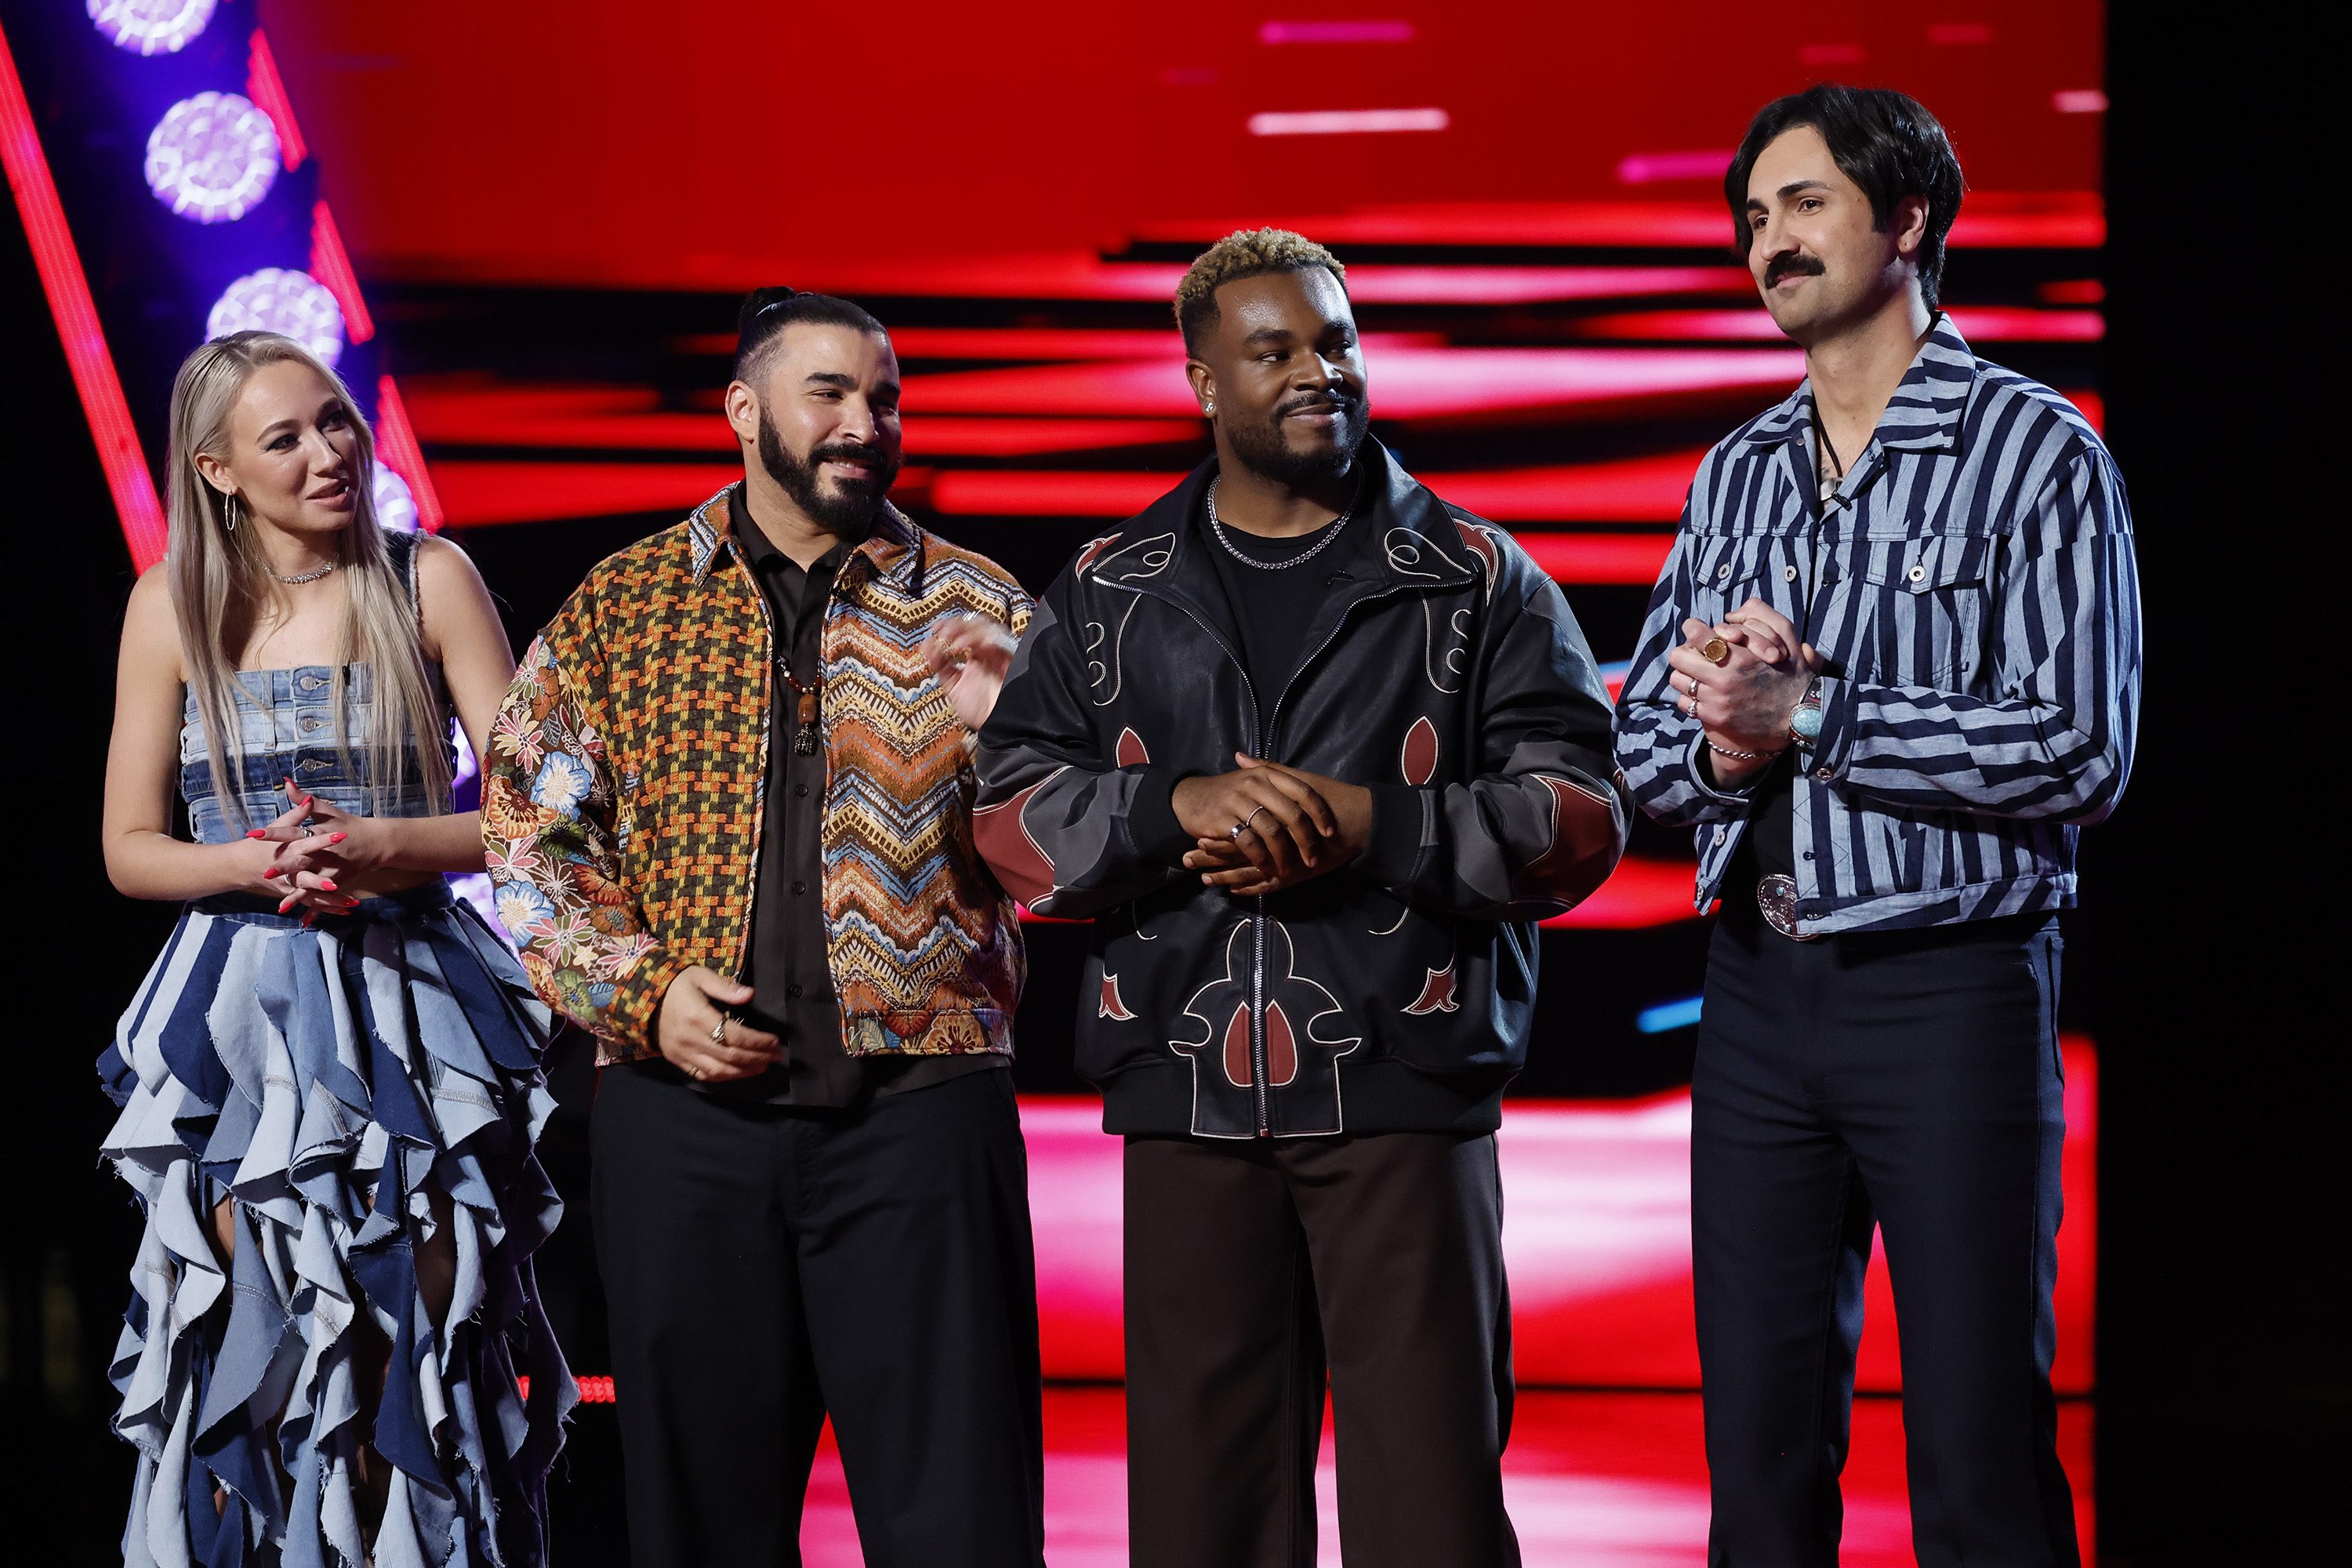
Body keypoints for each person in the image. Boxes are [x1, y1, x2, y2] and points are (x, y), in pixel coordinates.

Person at [975, 229, 1626, 1568]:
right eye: (1273, 349)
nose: (1318, 370)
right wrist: (1173, 809)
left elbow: (1579, 826)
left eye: (1335, 341)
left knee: (1431, 1509)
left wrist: (1366, 827)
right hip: (1184, 1093)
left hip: (1409, 1080)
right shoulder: (1107, 591)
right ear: (1204, 381)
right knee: (1203, 1516)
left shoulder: (1482, 579)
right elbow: (1003, 824)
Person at [1615, 85, 2138, 1567]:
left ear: (1909, 219)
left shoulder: (2038, 455)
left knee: (1977, 1460)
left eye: (1806, 204)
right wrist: (1724, 746)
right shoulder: (1738, 475)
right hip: (1757, 998)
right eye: (1755, 215)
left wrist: (1816, 718)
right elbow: (1649, 748)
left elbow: (2084, 749)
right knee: (1761, 1465)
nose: (1768, 241)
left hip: (1952, 993)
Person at [481, 289, 1043, 1566]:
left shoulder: (977, 605)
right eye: (831, 394)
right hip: (688, 1129)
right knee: (702, 1525)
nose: (865, 423)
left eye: (885, 400)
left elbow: (1072, 868)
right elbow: (529, 836)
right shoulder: (624, 607)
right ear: (744, 411)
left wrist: (1012, 749)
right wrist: (641, 995)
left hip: (922, 1110)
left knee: (963, 1521)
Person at [97, 331, 570, 1567]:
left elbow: (531, 818)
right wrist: (252, 864)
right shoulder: (172, 603)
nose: (330, 453)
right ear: (215, 470)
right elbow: (129, 847)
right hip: (239, 1025)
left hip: (414, 1008)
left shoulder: (427, 578)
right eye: (286, 438)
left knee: (418, 1339)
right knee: (261, 1344)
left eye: (337, 421)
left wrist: (385, 847)